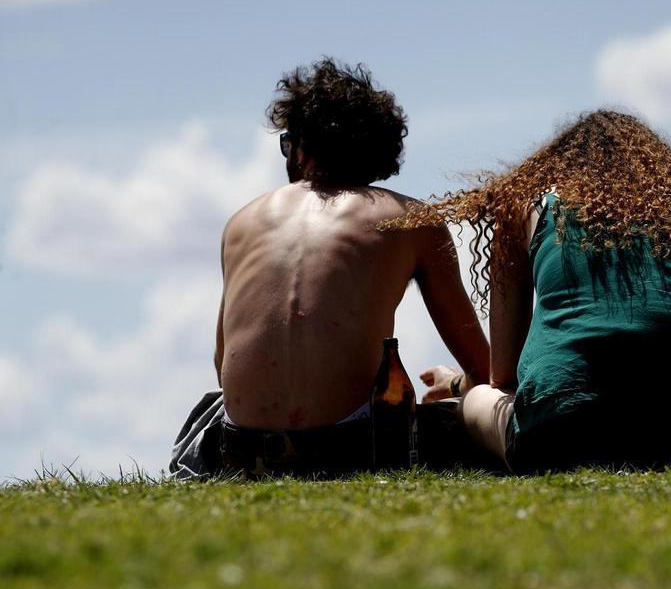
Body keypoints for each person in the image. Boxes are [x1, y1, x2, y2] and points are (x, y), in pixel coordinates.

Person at [392, 109, 671, 473]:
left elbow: (503, 377)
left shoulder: (528, 211)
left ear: (556, 167)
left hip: (561, 439)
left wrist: (455, 386)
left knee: (478, 399)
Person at [170, 58, 489, 478]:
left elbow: (222, 367)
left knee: (208, 409)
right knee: (474, 411)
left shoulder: (240, 223)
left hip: (242, 453)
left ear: (302, 145)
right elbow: (483, 368)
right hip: (351, 449)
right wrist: (454, 386)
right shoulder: (411, 220)